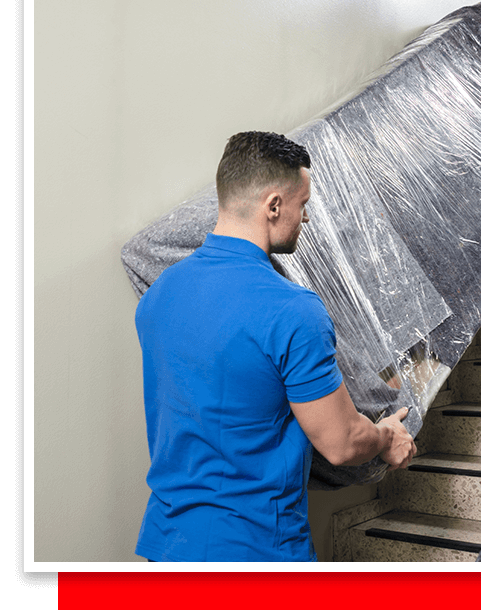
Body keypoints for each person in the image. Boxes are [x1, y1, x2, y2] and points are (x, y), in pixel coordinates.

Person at [134, 131, 416, 562]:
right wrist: (385, 437)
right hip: (255, 552)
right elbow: (341, 443)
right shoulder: (292, 310)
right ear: (273, 206)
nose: (305, 218)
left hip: (167, 546)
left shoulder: (160, 294)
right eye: (303, 204)